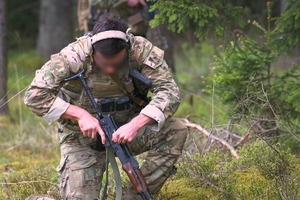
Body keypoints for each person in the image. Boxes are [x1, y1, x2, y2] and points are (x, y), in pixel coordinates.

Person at [24, 17, 187, 200]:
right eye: (104, 64)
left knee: (176, 130)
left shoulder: (140, 50)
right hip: (84, 137)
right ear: (92, 54)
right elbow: (34, 96)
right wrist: (80, 115)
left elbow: (170, 92)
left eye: (116, 64)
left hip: (127, 129)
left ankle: (133, 197)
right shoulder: (72, 56)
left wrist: (136, 124)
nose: (110, 70)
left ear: (126, 50)